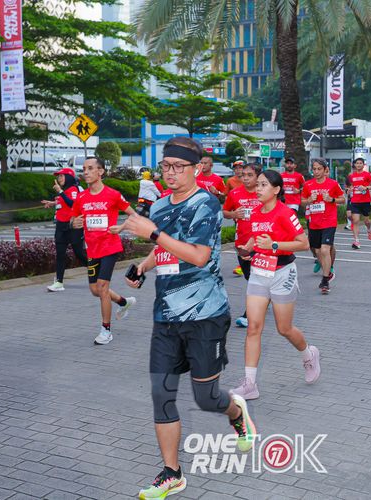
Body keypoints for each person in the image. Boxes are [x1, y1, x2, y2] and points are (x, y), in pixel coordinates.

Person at [113, 137, 256, 499]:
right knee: (161, 393)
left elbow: (198, 255)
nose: (171, 173)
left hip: (205, 315)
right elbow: (163, 247)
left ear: (196, 169)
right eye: (166, 166)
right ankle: (172, 473)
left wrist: (152, 232)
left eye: (179, 167)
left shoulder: (206, 203)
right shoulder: (161, 205)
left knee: (206, 397)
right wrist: (143, 266)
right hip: (165, 317)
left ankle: (236, 412)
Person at [231, 169, 319, 400]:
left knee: (284, 328)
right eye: (257, 184)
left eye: (263, 185)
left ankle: (308, 354)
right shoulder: (255, 212)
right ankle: (250, 384)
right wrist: (248, 248)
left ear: (276, 189)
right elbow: (256, 236)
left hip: (282, 273)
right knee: (253, 327)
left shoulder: (285, 213)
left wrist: (274, 245)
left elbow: (303, 244)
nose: (258, 188)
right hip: (259, 272)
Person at [71, 157, 136, 345]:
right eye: (84, 168)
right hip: (92, 249)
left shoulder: (113, 194)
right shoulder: (81, 197)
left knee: (102, 287)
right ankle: (124, 302)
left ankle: (106, 330)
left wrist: (121, 227)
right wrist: (74, 222)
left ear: (100, 172)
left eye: (90, 168)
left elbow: (134, 215)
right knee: (95, 290)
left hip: (110, 247)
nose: (86, 172)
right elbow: (74, 218)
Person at [223, 162, 262, 327]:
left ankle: (249, 314)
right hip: (242, 243)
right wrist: (233, 214)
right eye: (243, 175)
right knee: (249, 277)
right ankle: (263, 297)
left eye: (250, 175)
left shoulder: (264, 193)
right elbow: (225, 212)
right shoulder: (235, 193)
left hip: (261, 243)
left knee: (255, 279)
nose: (245, 178)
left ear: (258, 177)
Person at [41, 168, 88, 292]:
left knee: (79, 253)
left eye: (62, 176)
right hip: (61, 227)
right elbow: (62, 202)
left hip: (73, 226)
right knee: (60, 254)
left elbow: (73, 204)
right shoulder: (65, 191)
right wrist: (52, 203)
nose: (59, 178)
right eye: (58, 176)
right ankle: (59, 282)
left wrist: (60, 192)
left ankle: (95, 270)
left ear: (69, 177)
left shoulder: (73, 189)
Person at [302, 158, 345, 294]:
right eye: (314, 169)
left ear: (325, 170)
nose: (316, 172)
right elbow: (302, 201)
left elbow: (343, 199)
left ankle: (325, 280)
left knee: (325, 250)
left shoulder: (333, 184)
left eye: (319, 169)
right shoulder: (308, 185)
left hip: (329, 221)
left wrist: (331, 199)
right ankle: (328, 272)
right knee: (318, 251)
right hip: (314, 222)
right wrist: (309, 200)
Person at [347, 157, 371, 248]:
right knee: (355, 221)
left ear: (363, 165)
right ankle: (356, 241)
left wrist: (366, 187)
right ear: (354, 165)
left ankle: (368, 229)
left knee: (366, 221)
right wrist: (349, 190)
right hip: (355, 201)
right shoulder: (351, 176)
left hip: (365, 201)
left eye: (360, 163)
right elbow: (350, 187)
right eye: (357, 163)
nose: (358, 165)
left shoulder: (367, 174)